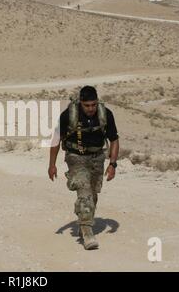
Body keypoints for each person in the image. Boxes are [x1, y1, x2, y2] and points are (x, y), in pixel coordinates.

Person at [48, 86, 119, 250]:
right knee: (84, 190)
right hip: (75, 157)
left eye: (93, 105)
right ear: (81, 103)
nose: (91, 109)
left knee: (92, 194)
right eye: (87, 105)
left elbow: (114, 140)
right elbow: (56, 140)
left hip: (97, 158)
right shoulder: (69, 115)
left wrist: (113, 164)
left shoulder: (105, 114)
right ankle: (87, 232)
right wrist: (52, 165)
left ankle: (83, 216)